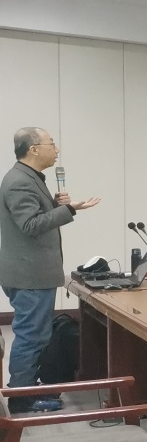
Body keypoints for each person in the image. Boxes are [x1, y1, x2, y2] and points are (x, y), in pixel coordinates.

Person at [0, 127, 100, 413]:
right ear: (34, 149)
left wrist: (58, 206)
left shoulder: (28, 177)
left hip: (31, 274)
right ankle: (22, 399)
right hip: (29, 276)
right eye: (52, 144)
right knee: (30, 336)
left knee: (35, 335)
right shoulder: (20, 181)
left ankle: (27, 388)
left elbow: (34, 216)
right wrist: (68, 210)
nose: (56, 150)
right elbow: (30, 225)